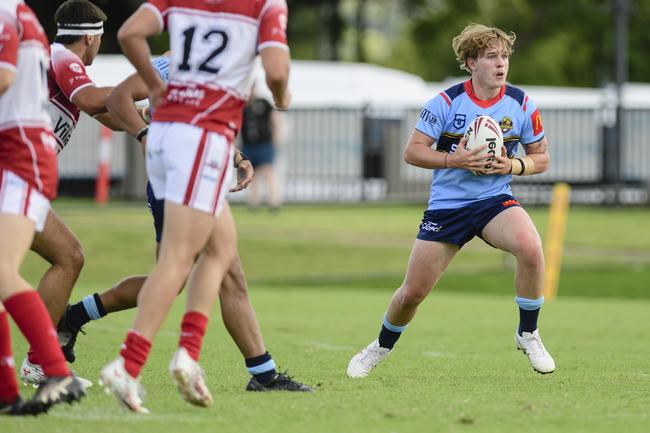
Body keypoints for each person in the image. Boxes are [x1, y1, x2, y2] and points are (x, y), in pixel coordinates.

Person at [60, 54, 310, 395]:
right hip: (183, 180)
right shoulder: (177, 60)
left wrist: (238, 157)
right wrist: (144, 133)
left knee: (176, 276)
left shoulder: (216, 57)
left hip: (191, 176)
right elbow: (120, 94)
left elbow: (207, 123)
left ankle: (76, 318)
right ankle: (253, 373)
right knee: (224, 272)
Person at [99, 0, 294, 413]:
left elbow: (129, 33)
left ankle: (188, 356)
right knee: (176, 261)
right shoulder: (266, 5)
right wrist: (282, 96)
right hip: (201, 137)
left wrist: (155, 85)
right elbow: (276, 71)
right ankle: (127, 365)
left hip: (171, 133)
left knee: (222, 253)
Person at [346, 23, 555, 379]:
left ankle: (528, 333)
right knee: (411, 294)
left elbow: (542, 157)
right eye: (492, 56)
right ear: (471, 62)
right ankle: (379, 346)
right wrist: (452, 160)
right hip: (448, 207)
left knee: (531, 247)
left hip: (493, 201)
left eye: (504, 56)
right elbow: (412, 152)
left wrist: (514, 164)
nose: (501, 63)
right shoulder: (445, 103)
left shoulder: (520, 104)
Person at [19, 0, 124, 387]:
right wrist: (156, 75)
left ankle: (40, 361)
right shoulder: (63, 58)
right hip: (11, 178)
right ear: (91, 37)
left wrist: (156, 116)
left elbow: (112, 115)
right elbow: (96, 100)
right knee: (68, 256)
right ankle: (40, 360)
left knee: (67, 256)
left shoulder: (60, 66)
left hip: (19, 181)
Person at [0, 0, 85, 416]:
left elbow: (3, 77)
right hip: (16, 153)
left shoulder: (6, 12)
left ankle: (53, 370)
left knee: (2, 271)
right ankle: (8, 389)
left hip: (19, 153)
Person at [241, 94, 282, 209]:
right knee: (251, 174)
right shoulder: (241, 104)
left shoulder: (263, 102)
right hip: (248, 145)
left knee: (268, 171)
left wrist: (277, 135)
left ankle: (273, 202)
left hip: (265, 144)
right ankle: (254, 202)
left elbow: (275, 118)